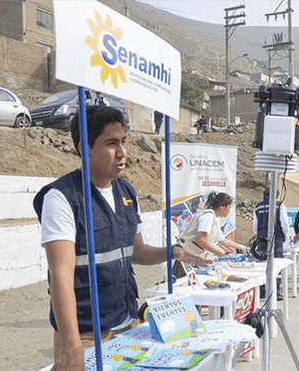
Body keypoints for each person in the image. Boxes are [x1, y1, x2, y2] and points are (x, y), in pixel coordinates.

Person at [32, 105, 212, 371]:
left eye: (123, 141)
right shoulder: (61, 198)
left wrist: (173, 252)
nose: (122, 152)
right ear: (85, 148)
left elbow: (136, 251)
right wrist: (71, 345)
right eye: (111, 143)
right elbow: (61, 276)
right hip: (86, 334)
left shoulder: (126, 191)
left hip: (127, 325)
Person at [176, 191, 248, 258]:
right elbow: (200, 240)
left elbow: (223, 241)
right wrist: (218, 252)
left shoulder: (214, 219)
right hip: (185, 253)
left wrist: (241, 247)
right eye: (229, 208)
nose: (229, 211)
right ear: (222, 207)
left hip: (192, 254)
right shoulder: (208, 217)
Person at [252, 187, 290, 300]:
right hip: (276, 236)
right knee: (277, 263)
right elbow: (284, 222)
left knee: (264, 262)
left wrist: (259, 235)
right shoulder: (279, 205)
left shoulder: (258, 206)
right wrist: (285, 234)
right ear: (276, 195)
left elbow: (255, 225)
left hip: (262, 237)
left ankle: (263, 290)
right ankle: (276, 291)